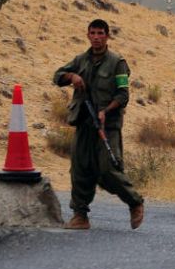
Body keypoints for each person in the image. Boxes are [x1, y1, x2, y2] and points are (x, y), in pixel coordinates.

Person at [53, 19, 144, 230]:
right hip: (84, 123)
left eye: (100, 33)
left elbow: (123, 95)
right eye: (92, 33)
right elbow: (57, 76)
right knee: (79, 168)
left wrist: (106, 111)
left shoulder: (117, 62)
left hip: (107, 125)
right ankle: (80, 215)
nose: (96, 37)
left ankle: (135, 202)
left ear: (107, 36)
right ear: (88, 35)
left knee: (108, 168)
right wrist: (72, 76)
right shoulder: (80, 60)